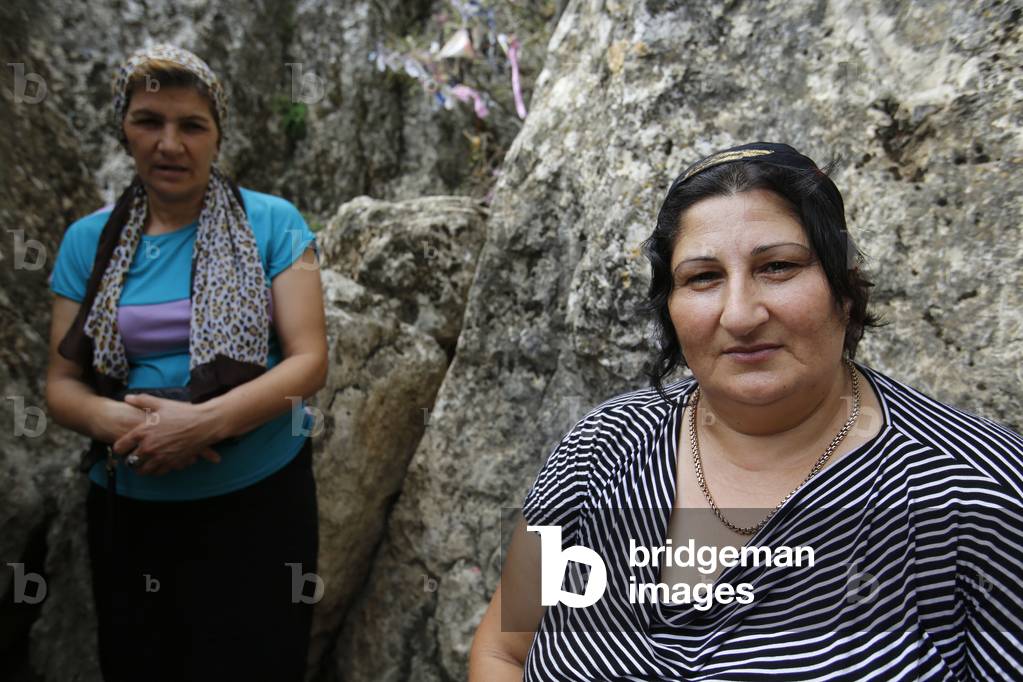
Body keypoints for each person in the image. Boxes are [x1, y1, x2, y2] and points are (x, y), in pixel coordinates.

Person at [470, 142, 1023, 680]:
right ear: (671, 309)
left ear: (844, 290)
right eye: (703, 277)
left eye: (778, 266)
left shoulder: (977, 489)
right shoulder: (600, 448)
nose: (740, 314)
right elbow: (503, 650)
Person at [44, 45, 327, 681]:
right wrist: (130, 428)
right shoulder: (86, 241)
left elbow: (309, 362)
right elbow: (61, 386)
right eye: (149, 121)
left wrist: (203, 424)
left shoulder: (276, 223)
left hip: (259, 504)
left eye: (192, 125)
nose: (169, 143)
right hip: (131, 509)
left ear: (218, 135)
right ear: (124, 128)